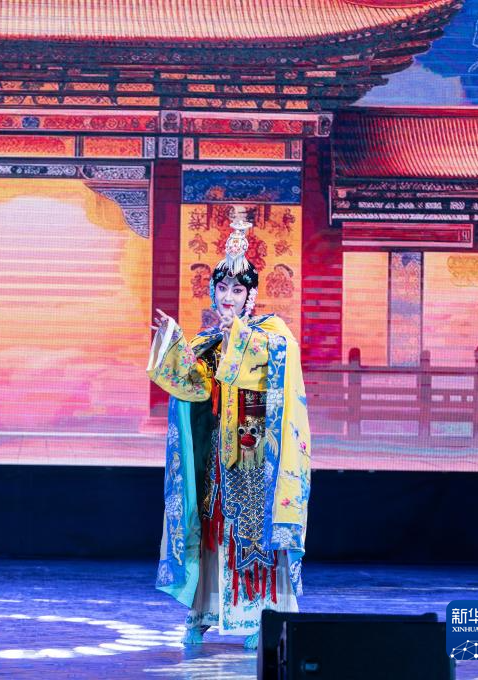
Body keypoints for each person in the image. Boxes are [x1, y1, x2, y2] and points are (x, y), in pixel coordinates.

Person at [146, 207, 311, 649]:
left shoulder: (270, 333)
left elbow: (273, 365)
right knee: (212, 525)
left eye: (237, 289)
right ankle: (203, 611)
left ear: (250, 295)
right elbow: (195, 385)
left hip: (254, 447)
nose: (228, 296)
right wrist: (173, 341)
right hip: (217, 449)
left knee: (251, 532)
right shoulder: (211, 339)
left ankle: (261, 616)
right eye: (222, 288)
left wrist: (236, 335)